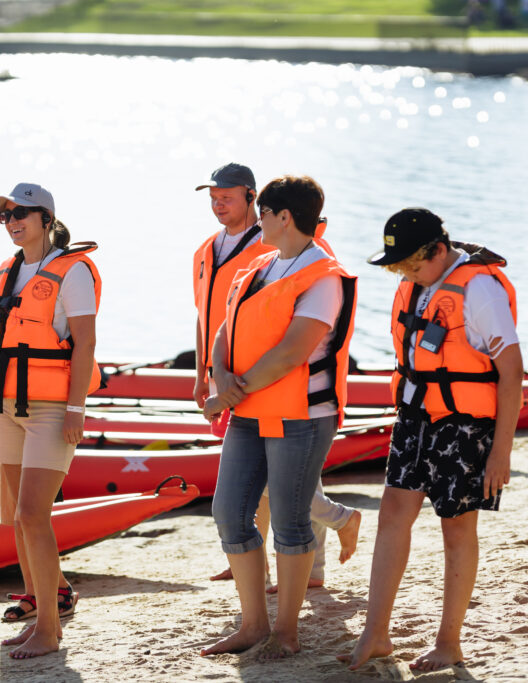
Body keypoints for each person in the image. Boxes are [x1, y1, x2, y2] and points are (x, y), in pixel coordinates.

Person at [340, 208, 522, 672]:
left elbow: (511, 372)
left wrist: (501, 451)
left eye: (413, 265)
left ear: (439, 250)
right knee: (392, 515)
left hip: (464, 426)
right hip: (415, 417)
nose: (407, 274)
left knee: (456, 529)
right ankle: (375, 633)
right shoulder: (418, 283)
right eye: (400, 267)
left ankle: (448, 643)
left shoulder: (478, 289)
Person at [199, 175, 357, 660]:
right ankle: (253, 625)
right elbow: (227, 326)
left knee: (290, 522)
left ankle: (285, 632)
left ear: (283, 216)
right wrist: (220, 373)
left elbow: (292, 352)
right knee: (229, 513)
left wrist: (228, 395)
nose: (257, 219)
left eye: (263, 212)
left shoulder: (324, 277)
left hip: (301, 417)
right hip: (250, 411)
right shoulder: (262, 266)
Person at [0, 183, 101, 659]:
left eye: (21, 213)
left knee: (32, 515)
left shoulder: (74, 271)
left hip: (51, 409)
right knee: (15, 519)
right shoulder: (9, 270)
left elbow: (84, 344)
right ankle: (45, 601)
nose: (12, 223)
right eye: (4, 217)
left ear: (46, 218)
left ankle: (51, 627)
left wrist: (76, 408)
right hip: (8, 406)